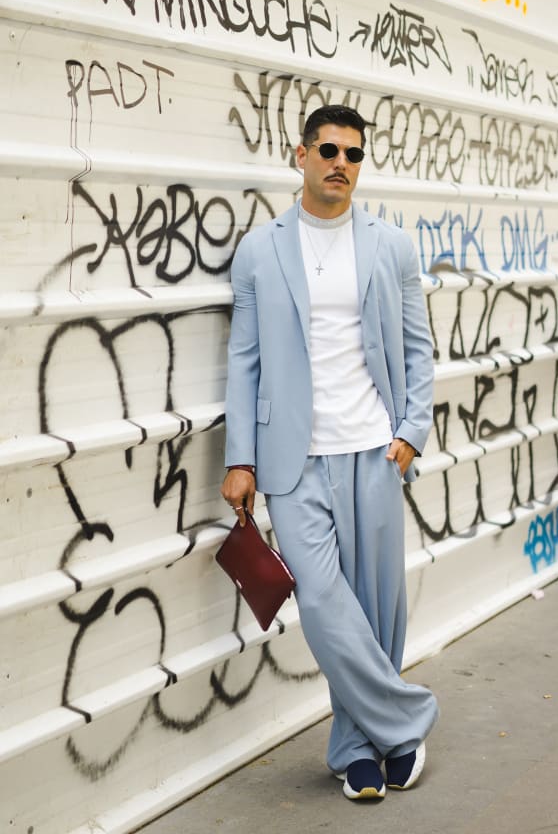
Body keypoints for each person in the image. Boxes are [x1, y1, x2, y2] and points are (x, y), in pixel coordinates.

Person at [221, 104, 439, 801]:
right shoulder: (262, 250)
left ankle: (356, 751)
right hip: (294, 459)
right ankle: (407, 721)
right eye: (329, 150)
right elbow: (245, 358)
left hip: (375, 449)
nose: (341, 163)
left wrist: (411, 434)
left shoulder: (391, 246)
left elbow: (416, 346)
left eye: (353, 153)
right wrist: (240, 457)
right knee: (320, 600)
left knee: (376, 608)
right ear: (301, 155)